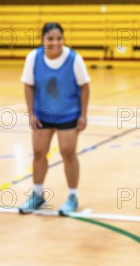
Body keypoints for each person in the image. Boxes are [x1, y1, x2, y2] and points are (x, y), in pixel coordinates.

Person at [19, 22, 90, 215]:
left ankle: (72, 196)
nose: (55, 42)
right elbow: (28, 85)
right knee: (39, 152)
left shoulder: (74, 59)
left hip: (69, 113)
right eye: (50, 38)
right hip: (43, 114)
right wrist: (31, 113)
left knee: (68, 153)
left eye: (59, 38)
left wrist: (83, 115)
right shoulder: (33, 58)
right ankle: (37, 194)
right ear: (42, 40)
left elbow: (85, 86)